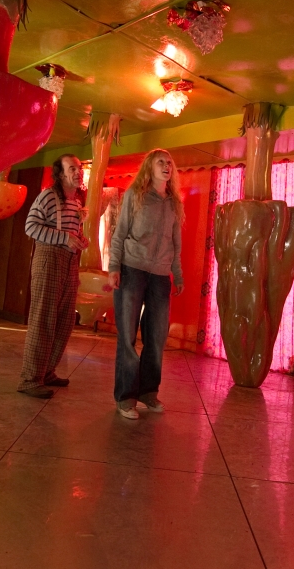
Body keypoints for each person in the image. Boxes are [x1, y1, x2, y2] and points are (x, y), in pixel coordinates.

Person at [108, 149, 184, 419]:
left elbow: (176, 243)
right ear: (149, 168)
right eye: (160, 162)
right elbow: (120, 233)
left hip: (160, 275)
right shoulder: (135, 195)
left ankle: (148, 392)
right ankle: (126, 397)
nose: (166, 166)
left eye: (169, 162)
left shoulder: (174, 202)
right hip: (132, 269)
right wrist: (114, 267)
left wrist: (177, 273)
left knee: (156, 336)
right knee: (128, 336)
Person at [18, 154, 88, 399]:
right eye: (72, 168)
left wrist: (79, 239)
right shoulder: (48, 196)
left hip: (69, 261)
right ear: (60, 174)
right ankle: (30, 379)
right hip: (48, 258)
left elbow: (70, 232)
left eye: (79, 168)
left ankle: (47, 372)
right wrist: (64, 238)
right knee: (44, 319)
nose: (78, 172)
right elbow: (30, 226)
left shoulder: (76, 201)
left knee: (65, 320)